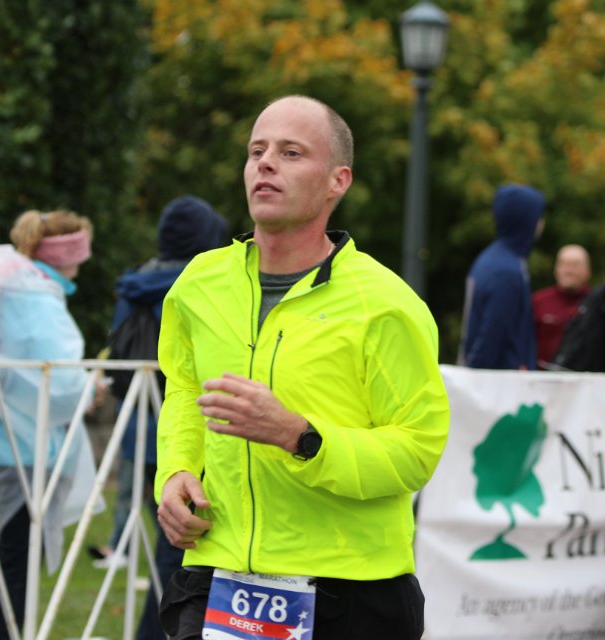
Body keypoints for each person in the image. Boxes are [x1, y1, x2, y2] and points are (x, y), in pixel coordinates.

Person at [153, 95, 450, 640]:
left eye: (291, 153)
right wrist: (174, 472)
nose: (265, 163)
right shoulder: (199, 283)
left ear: (338, 181)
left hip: (349, 588)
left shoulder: (385, 303)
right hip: (218, 575)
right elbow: (186, 391)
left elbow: (417, 450)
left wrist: (300, 436)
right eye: (256, 151)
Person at [0, 210, 101, 639]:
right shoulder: (34, 299)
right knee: (15, 564)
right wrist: (89, 388)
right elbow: (58, 382)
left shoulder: (1, 284)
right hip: (24, 448)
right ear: (68, 256)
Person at [90, 195, 228, 639]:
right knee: (182, 552)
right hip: (187, 432)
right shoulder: (208, 282)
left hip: (137, 427)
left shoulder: (134, 282)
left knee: (169, 546)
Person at [458, 183, 546, 370]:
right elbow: (491, 336)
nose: (541, 223)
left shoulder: (496, 259)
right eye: (537, 216)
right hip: (500, 382)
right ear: (525, 221)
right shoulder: (506, 271)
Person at [532, 244, 591, 369]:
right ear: (555, 269)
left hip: (584, 378)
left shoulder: (597, 304)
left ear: (588, 271)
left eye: (575, 265)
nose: (569, 271)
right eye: (564, 264)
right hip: (541, 377)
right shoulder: (538, 302)